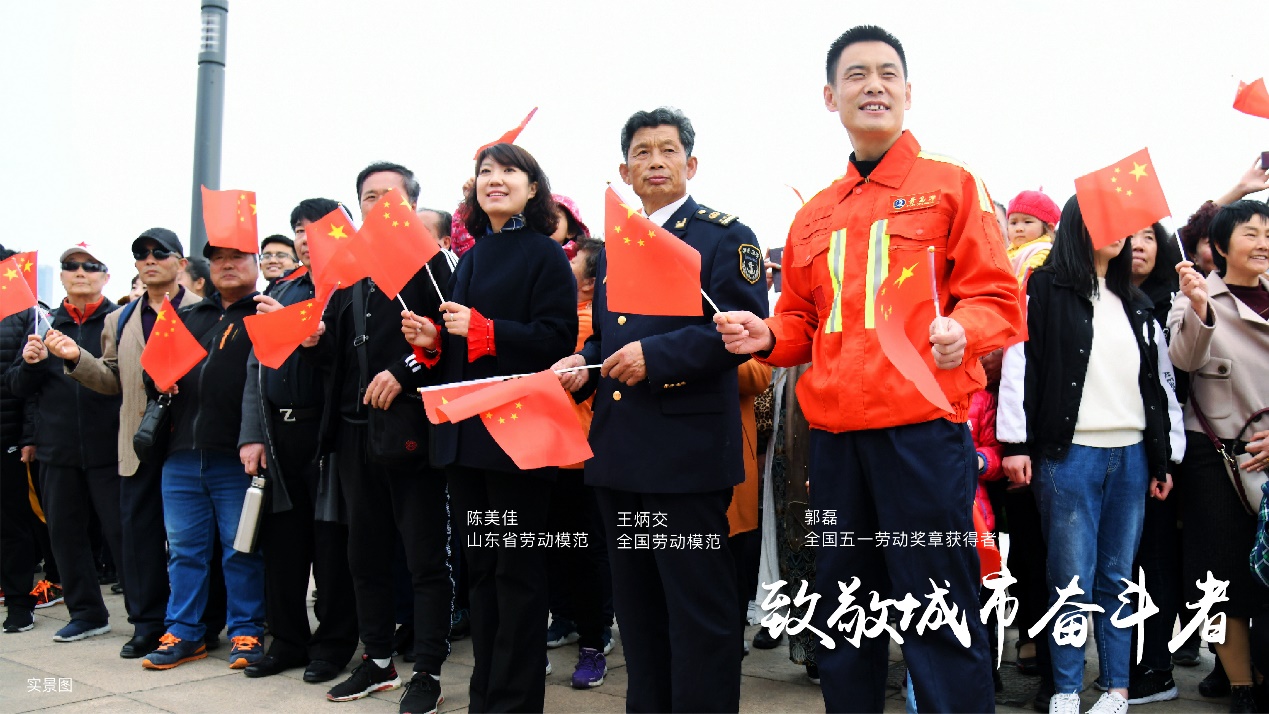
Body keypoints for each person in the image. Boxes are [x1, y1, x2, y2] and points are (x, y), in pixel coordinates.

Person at [714, 26, 1022, 712]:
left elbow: (999, 298)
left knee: (937, 609)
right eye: (856, 75)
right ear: (831, 96)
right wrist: (762, 333)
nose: (873, 85)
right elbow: (799, 322)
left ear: (908, 93)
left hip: (920, 438)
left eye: (887, 73)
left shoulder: (951, 185)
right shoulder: (814, 217)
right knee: (844, 608)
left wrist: (958, 331)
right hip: (833, 446)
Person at [554, 106, 768, 712]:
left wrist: (658, 356)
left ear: (691, 163)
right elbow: (605, 338)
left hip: (686, 460)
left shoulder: (725, 236)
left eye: (668, 150)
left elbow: (738, 334)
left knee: (699, 615)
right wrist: (580, 365)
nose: (655, 161)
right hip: (621, 457)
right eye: (642, 152)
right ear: (624, 169)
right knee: (639, 613)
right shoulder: (615, 245)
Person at [403, 143, 578, 711]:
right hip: (469, 436)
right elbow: (466, 352)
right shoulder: (472, 256)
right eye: (485, 172)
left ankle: (515, 702)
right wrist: (436, 341)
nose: (494, 180)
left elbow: (555, 339)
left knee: (517, 575)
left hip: (518, 436)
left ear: (533, 188)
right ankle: (486, 696)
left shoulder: (546, 256)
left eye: (509, 171)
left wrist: (482, 329)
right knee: (481, 573)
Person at [999, 195, 1184, 714]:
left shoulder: (1138, 302)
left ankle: (1117, 688)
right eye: (1106, 219)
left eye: (1126, 223)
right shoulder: (1046, 288)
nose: (1121, 232)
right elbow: (1020, 366)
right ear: (1078, 224)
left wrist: (1162, 459)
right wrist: (1015, 443)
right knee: (1069, 577)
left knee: (1119, 578)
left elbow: (1157, 388)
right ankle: (1064, 687)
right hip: (1068, 453)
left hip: (1131, 456)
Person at [307, 161, 455, 714]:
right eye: (368, 196)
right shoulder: (351, 272)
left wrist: (405, 371)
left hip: (410, 431)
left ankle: (429, 671)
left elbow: (447, 347)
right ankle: (376, 659)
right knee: (362, 554)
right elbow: (341, 361)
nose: (379, 204)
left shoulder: (433, 264)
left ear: (412, 206)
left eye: (390, 196)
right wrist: (312, 339)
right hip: (352, 435)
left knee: (423, 558)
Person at [53, 229, 221, 659]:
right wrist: (76, 359)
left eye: (159, 253)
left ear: (180, 263)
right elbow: (110, 379)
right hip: (138, 444)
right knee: (140, 537)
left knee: (200, 541)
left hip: (192, 441)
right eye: (141, 254)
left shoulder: (207, 310)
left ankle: (205, 623)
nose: (149, 260)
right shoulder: (121, 318)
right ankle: (147, 623)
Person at [122, 244, 266, 671]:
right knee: (183, 551)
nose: (227, 265)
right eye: (218, 259)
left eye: (237, 257)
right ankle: (184, 632)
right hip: (181, 453)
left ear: (256, 264)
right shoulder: (189, 317)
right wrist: (159, 379)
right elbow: (152, 375)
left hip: (236, 455)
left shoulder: (266, 313)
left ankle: (247, 631)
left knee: (241, 550)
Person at [236, 198, 358, 683]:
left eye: (319, 227)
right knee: (283, 547)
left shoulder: (354, 289)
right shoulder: (281, 291)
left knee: (333, 548)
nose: (308, 237)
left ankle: (331, 646)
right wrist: (251, 435)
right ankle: (286, 640)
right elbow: (255, 368)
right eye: (299, 229)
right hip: (279, 435)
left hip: (333, 435)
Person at [1169, 199, 1269, 714]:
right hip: (1216, 460)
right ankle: (1239, 686)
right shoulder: (1197, 296)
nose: (1263, 242)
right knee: (1221, 577)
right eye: (1251, 233)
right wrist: (1201, 307)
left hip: (1268, 456)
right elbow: (1184, 359)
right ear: (1222, 244)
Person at [10, 245, 122, 643]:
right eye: (71, 266)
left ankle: (149, 616)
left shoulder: (120, 319)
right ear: (60, 276)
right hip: (57, 448)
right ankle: (88, 613)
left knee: (123, 535)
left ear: (106, 275)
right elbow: (18, 388)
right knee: (65, 535)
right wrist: (29, 362)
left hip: (111, 447)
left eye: (90, 266)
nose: (80, 272)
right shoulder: (42, 323)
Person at [543, 234, 617, 686]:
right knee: (558, 548)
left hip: (585, 454)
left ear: (593, 282)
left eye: (573, 270)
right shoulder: (559, 318)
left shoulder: (589, 324)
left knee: (589, 555)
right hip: (550, 453)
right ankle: (570, 621)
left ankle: (594, 640)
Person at [1121, 222, 1187, 704]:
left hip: (1165, 448)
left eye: (1146, 235)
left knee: (1157, 561)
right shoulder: (1099, 300)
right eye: (1126, 237)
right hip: (1111, 446)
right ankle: (1123, 661)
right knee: (1117, 564)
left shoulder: (1175, 299)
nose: (1136, 245)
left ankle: (1158, 665)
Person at [1005, 189, 1061, 282]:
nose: (1019, 228)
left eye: (1027, 222)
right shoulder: (1008, 250)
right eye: (1013, 223)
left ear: (1049, 227)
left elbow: (1026, 280)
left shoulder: (1043, 251)